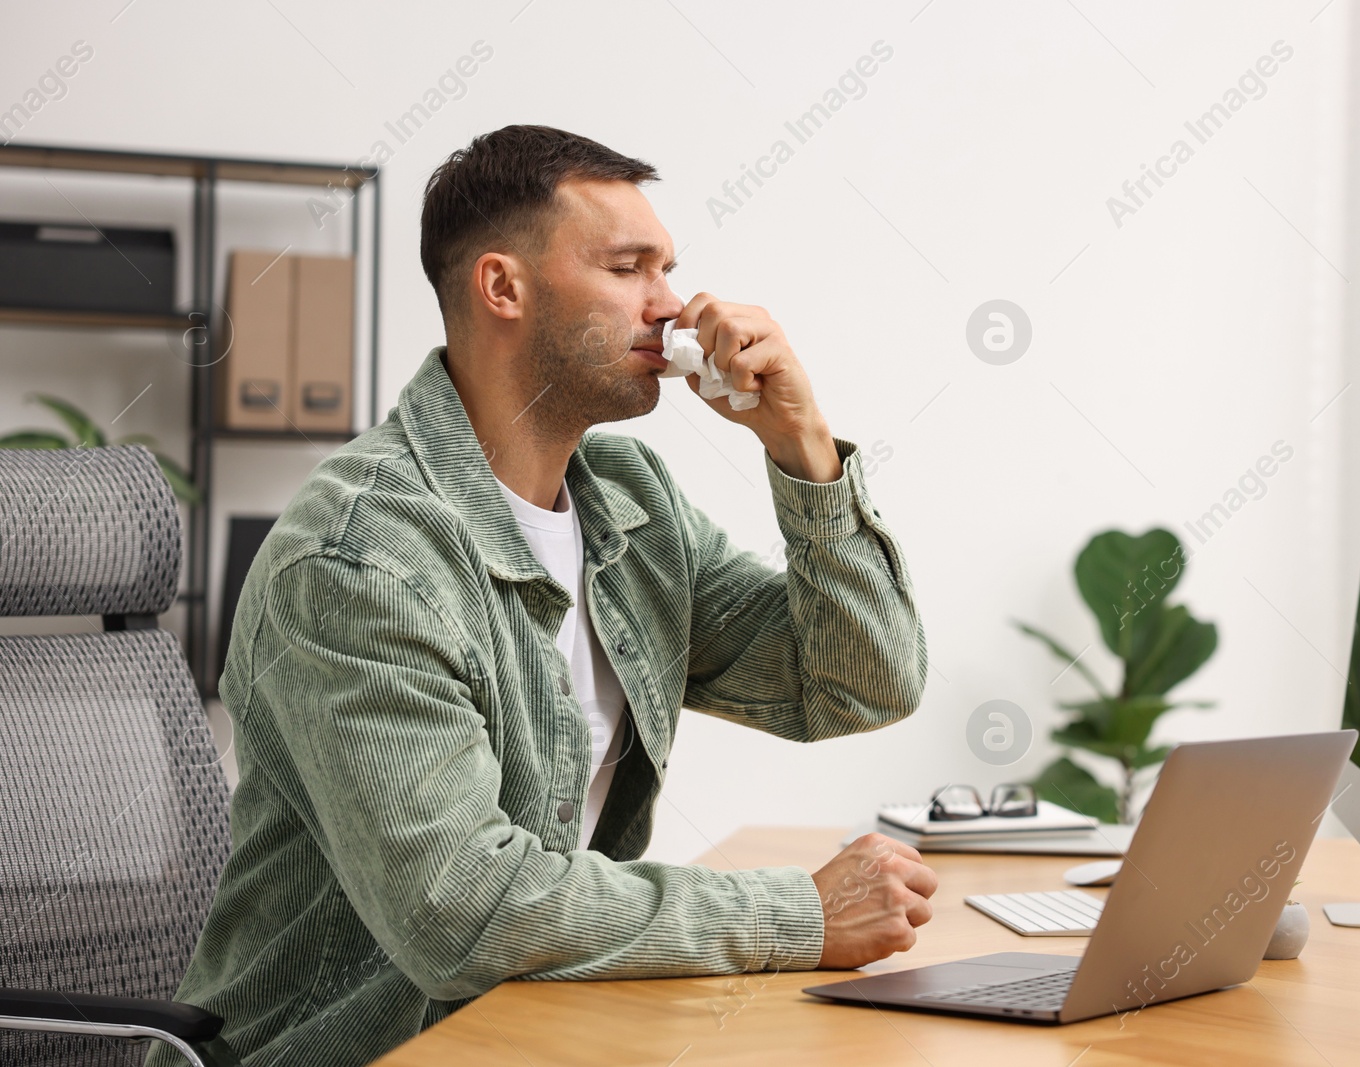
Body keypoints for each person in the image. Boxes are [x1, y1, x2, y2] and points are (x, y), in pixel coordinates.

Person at [152, 124, 934, 1067]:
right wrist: (800, 912)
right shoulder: (360, 562)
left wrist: (802, 446)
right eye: (629, 267)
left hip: (529, 1036)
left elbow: (858, 682)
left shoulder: (628, 503)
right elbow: (463, 911)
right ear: (503, 287)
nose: (673, 304)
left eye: (669, 268)